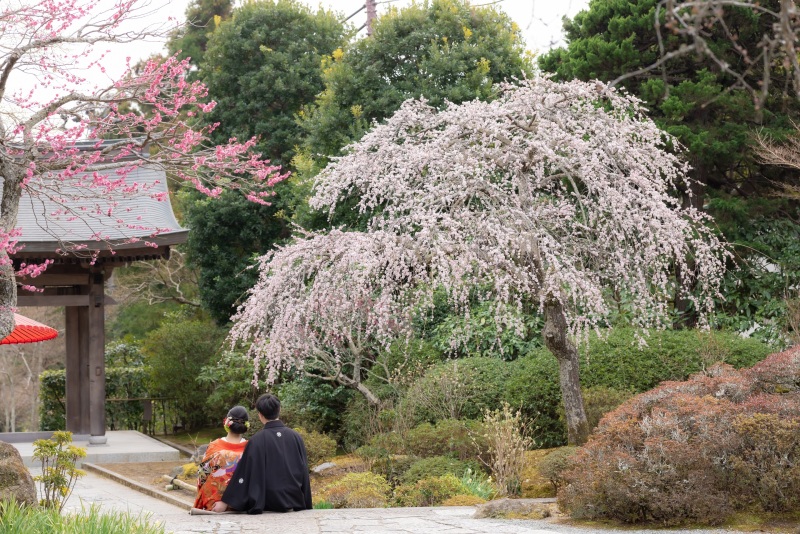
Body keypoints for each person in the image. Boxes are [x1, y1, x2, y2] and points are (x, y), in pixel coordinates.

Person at [212, 394, 312, 514]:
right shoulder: (296, 437)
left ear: (260, 415)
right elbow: (304, 472)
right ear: (279, 409)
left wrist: (226, 502)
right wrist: (306, 502)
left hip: (268, 502)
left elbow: (244, 475)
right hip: (294, 499)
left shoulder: (257, 440)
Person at [193, 405, 250, 511]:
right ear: (246, 425)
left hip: (214, 504)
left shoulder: (214, 446)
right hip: (242, 504)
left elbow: (201, 477)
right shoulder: (250, 448)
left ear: (226, 423)